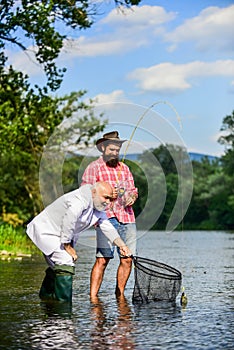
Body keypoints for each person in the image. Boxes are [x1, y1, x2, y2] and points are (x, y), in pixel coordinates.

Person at [26, 182, 131, 302]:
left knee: (56, 266)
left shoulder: (97, 207)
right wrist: (67, 245)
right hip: (46, 230)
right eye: (106, 197)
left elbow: (107, 227)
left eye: (110, 199)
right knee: (65, 262)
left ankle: (47, 300)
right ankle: (63, 309)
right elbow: (69, 219)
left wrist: (122, 245)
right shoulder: (79, 200)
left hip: (59, 234)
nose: (108, 201)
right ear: (93, 193)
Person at [81, 131, 138, 297]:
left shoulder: (125, 169)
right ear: (103, 148)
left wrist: (131, 197)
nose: (115, 153)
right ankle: (93, 297)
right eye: (111, 149)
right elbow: (85, 192)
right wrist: (106, 195)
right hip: (105, 218)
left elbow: (133, 191)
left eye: (117, 150)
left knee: (127, 259)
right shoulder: (94, 168)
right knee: (103, 259)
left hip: (127, 217)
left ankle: (119, 296)